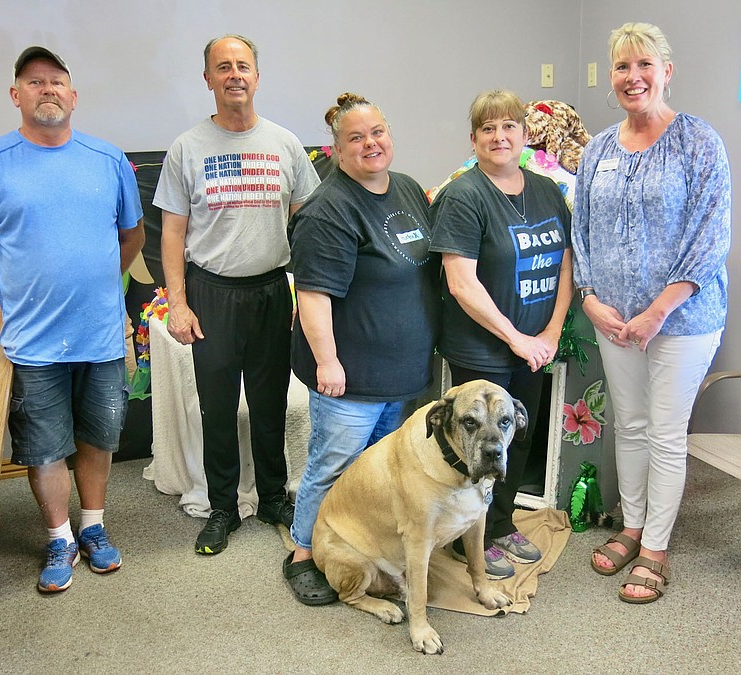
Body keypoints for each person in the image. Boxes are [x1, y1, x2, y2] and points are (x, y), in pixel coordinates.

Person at [0, 46, 145, 593]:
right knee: (43, 445)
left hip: (101, 336)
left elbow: (131, 235)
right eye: (35, 83)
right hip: (33, 343)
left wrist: (101, 283)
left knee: (98, 439)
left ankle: (93, 527)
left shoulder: (108, 161)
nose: (48, 90)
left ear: (73, 94)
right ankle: (59, 536)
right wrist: (16, 289)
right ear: (16, 95)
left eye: (57, 81)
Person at [572, 23, 730, 604]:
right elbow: (579, 233)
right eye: (621, 68)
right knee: (630, 426)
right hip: (614, 320)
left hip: (682, 320)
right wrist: (590, 298)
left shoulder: (699, 142)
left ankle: (657, 547)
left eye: (643, 65)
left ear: (666, 71)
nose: (631, 77)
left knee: (665, 434)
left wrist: (658, 310)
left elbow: (710, 236)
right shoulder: (599, 150)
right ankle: (632, 526)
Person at [153, 35, 320, 555]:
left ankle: (272, 496)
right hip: (212, 293)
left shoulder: (286, 144)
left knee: (270, 404)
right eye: (222, 67)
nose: (234, 75)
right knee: (219, 409)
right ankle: (222, 505)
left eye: (242, 66)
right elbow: (173, 233)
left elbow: (310, 223)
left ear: (256, 76)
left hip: (272, 291)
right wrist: (178, 303)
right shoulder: (187, 148)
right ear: (208, 79)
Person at [283, 93, 440, 605]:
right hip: (350, 376)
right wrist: (327, 362)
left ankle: (363, 543)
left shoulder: (411, 190)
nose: (370, 144)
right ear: (336, 149)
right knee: (332, 467)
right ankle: (303, 553)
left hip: (400, 372)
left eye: (378, 132)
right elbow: (313, 294)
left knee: (376, 474)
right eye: (356, 137)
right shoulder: (329, 209)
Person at [429, 89, 573, 580]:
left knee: (516, 441)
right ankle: (468, 536)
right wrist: (517, 338)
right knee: (478, 446)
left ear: (526, 135)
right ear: (473, 140)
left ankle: (503, 521)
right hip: (483, 350)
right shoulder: (464, 195)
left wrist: (551, 331)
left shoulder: (547, 191)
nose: (499, 136)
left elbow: (565, 262)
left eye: (509, 126)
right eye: (487, 129)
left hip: (536, 344)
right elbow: (460, 282)